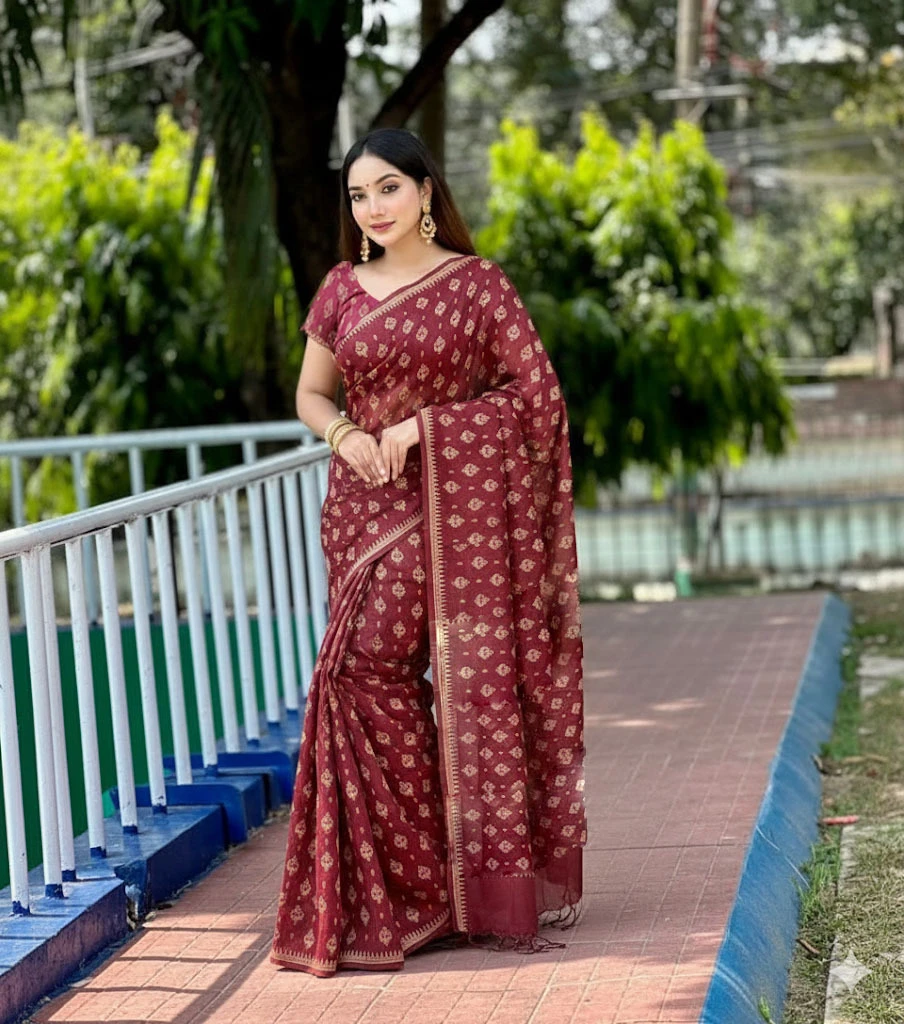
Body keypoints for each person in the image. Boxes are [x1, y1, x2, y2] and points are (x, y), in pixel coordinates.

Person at [271, 128, 585, 978]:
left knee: (366, 674)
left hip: (446, 512)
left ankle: (425, 889)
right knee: (367, 683)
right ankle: (418, 889)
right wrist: (344, 435)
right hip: (358, 511)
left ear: (425, 193)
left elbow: (535, 395)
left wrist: (423, 429)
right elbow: (311, 391)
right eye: (358, 196)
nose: (372, 208)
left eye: (388, 189)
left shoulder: (478, 286)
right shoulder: (340, 288)